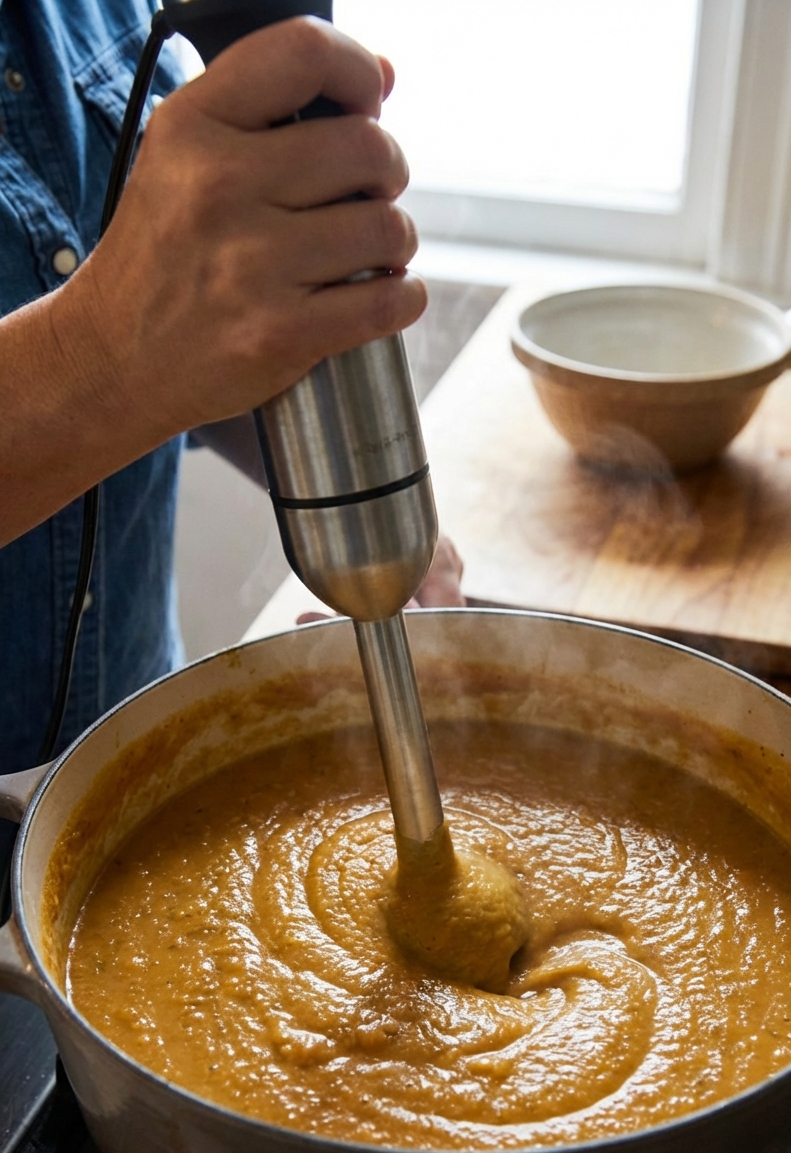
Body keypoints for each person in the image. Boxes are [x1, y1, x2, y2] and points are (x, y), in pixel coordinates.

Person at [0, 0, 459, 783]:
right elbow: (134, 336)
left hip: (148, 775)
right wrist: (101, 350)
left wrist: (364, 487)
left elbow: (196, 324)